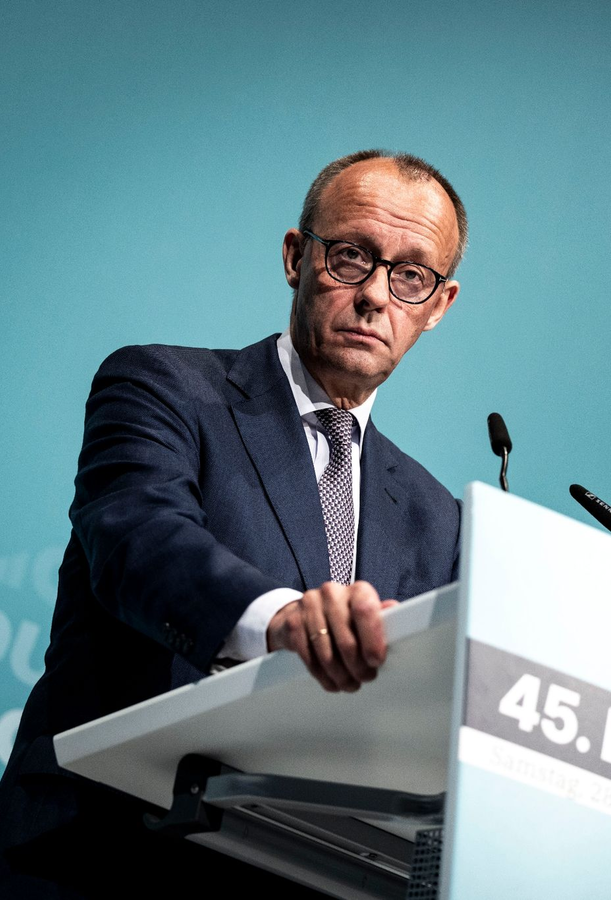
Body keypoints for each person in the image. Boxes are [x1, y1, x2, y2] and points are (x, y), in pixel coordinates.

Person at [0, 149, 467, 896]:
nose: (375, 296)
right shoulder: (164, 387)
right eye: (351, 256)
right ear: (296, 257)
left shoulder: (438, 520)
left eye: (410, 275)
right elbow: (139, 538)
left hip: (309, 871)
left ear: (438, 304)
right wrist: (279, 620)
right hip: (106, 857)